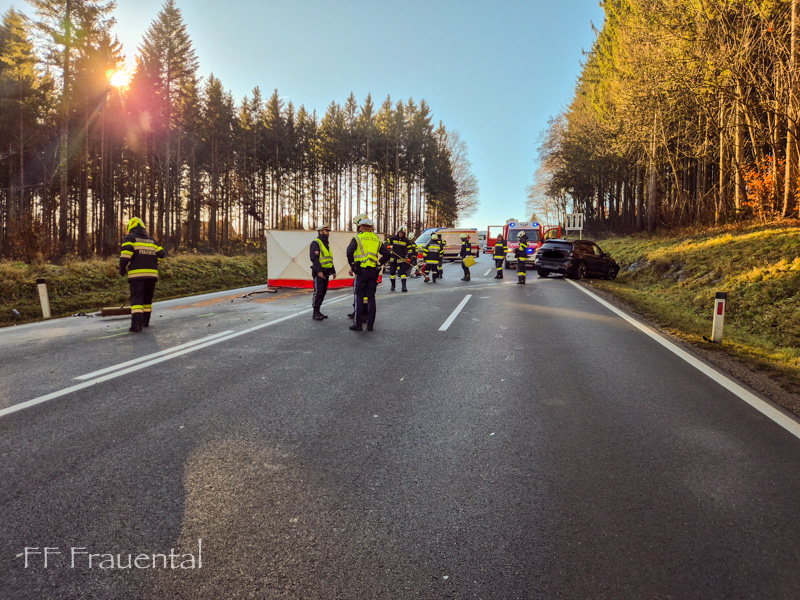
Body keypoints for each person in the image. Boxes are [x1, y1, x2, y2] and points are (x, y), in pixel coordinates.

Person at [119, 217, 165, 332]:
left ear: (130, 227)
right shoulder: (152, 241)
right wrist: (155, 262)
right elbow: (161, 254)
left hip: (137, 275)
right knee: (147, 300)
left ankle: (136, 325)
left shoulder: (130, 238)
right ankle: (145, 322)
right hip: (152, 275)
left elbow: (126, 253)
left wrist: (122, 268)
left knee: (137, 301)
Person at [346, 218, 390, 331]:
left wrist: (352, 264)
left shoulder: (357, 238)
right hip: (373, 272)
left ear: (361, 227)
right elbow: (387, 254)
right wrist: (379, 264)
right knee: (371, 298)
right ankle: (370, 325)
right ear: (371, 228)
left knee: (358, 297)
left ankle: (358, 324)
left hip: (361, 272)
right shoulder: (377, 239)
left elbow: (349, 251)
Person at [310, 224, 336, 321]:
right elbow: (314, 259)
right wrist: (319, 271)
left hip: (326, 272)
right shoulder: (316, 243)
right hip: (319, 273)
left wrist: (333, 271)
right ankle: (315, 312)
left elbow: (329, 259)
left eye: (328, 231)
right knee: (318, 292)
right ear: (320, 232)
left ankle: (319, 311)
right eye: (326, 231)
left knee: (323, 292)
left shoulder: (326, 244)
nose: (328, 233)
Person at [348, 214, 369, 321]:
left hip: (361, 268)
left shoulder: (360, 237)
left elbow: (350, 251)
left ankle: (362, 313)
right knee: (363, 293)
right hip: (368, 268)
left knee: (360, 292)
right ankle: (359, 311)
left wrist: (352, 265)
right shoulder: (370, 236)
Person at [387, 226, 412, 292]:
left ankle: (404, 287)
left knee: (403, 273)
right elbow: (386, 243)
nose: (400, 234)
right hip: (393, 259)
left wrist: (409, 259)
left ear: (404, 234)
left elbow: (410, 251)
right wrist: (388, 247)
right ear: (398, 233)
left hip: (402, 259)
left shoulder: (406, 241)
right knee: (392, 273)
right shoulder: (393, 239)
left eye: (402, 233)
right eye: (399, 233)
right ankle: (393, 285)